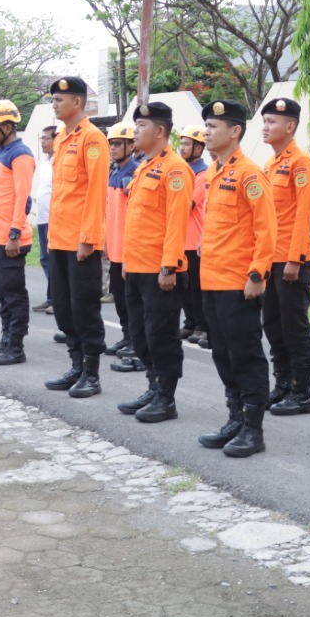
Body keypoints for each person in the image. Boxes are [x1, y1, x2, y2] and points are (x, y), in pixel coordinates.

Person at [195, 100, 277, 458]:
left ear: (235, 131)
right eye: (207, 126)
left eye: (214, 127)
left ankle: (253, 429)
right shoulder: (213, 173)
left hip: (238, 282)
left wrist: (258, 273)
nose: (207, 133)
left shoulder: (249, 174)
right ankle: (235, 416)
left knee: (245, 355)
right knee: (222, 353)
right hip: (212, 280)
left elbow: (266, 229)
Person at [115, 102, 194, 424]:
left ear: (160, 131)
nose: (135, 132)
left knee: (161, 334)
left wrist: (169, 266)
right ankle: (152, 385)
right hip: (136, 265)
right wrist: (125, 259)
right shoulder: (143, 166)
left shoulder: (175, 169)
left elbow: (177, 223)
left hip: (160, 269)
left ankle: (166, 397)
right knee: (140, 332)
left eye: (140, 127)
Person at [42, 79, 110, 399]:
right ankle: (76, 364)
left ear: (77, 103)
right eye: (53, 99)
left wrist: (89, 238)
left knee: (84, 308)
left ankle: (92, 373)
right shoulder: (60, 138)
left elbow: (96, 191)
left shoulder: (92, 138)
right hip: (59, 237)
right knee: (64, 308)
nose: (54, 104)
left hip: (81, 241)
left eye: (59, 99)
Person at [259, 97, 310, 418]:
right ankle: (282, 383)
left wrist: (295, 258)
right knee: (273, 324)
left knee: (294, 326)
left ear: (290, 126)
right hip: (270, 261)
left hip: (291, 261)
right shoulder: (270, 165)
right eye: (264, 122)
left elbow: (302, 215)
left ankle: (302, 391)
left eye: (271, 122)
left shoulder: (301, 164)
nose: (265, 127)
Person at [0, 100, 36, 365]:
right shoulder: (2, 151)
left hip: (9, 238)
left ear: (7, 125)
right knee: (1, 293)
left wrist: (14, 233)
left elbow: (23, 198)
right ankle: (5, 341)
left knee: (13, 293)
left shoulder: (20, 154)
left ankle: (16, 346)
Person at [105, 120, 144, 370]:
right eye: (111, 144)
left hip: (128, 249)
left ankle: (137, 342)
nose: (113, 148)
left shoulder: (135, 171)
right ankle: (127, 336)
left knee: (132, 300)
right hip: (115, 247)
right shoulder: (114, 171)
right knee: (119, 298)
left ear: (131, 145)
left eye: (118, 143)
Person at [178, 126, 210, 348]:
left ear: (199, 148)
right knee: (185, 286)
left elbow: (185, 203)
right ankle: (190, 321)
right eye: (181, 143)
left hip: (195, 238)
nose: (182, 148)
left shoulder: (202, 173)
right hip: (181, 238)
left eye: (187, 144)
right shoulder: (183, 171)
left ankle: (201, 324)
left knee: (197, 285)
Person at [31, 125, 56, 315]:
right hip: (42, 217)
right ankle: (51, 296)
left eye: (47, 138)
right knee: (45, 259)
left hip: (53, 218)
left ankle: (58, 299)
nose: (43, 142)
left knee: (54, 261)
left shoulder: (58, 162)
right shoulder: (45, 163)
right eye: (42, 139)